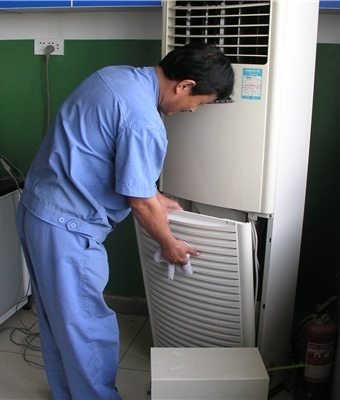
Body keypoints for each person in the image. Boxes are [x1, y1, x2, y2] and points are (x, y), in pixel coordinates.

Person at [16, 43, 234, 399]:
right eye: (199, 102)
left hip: (37, 210)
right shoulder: (144, 123)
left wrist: (155, 196)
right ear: (185, 86)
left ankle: (69, 393)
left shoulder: (114, 77)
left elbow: (103, 153)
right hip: (67, 229)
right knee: (87, 328)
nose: (193, 109)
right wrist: (169, 244)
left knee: (61, 321)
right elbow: (139, 203)